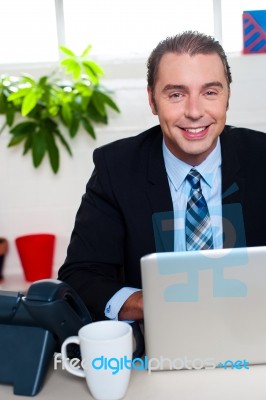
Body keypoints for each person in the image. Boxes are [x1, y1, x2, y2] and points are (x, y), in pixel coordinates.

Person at [58, 31, 266, 322]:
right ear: (153, 101)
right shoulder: (116, 168)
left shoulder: (261, 156)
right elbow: (81, 276)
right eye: (176, 94)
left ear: (227, 96)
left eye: (210, 92)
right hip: (160, 345)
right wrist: (152, 305)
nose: (194, 112)